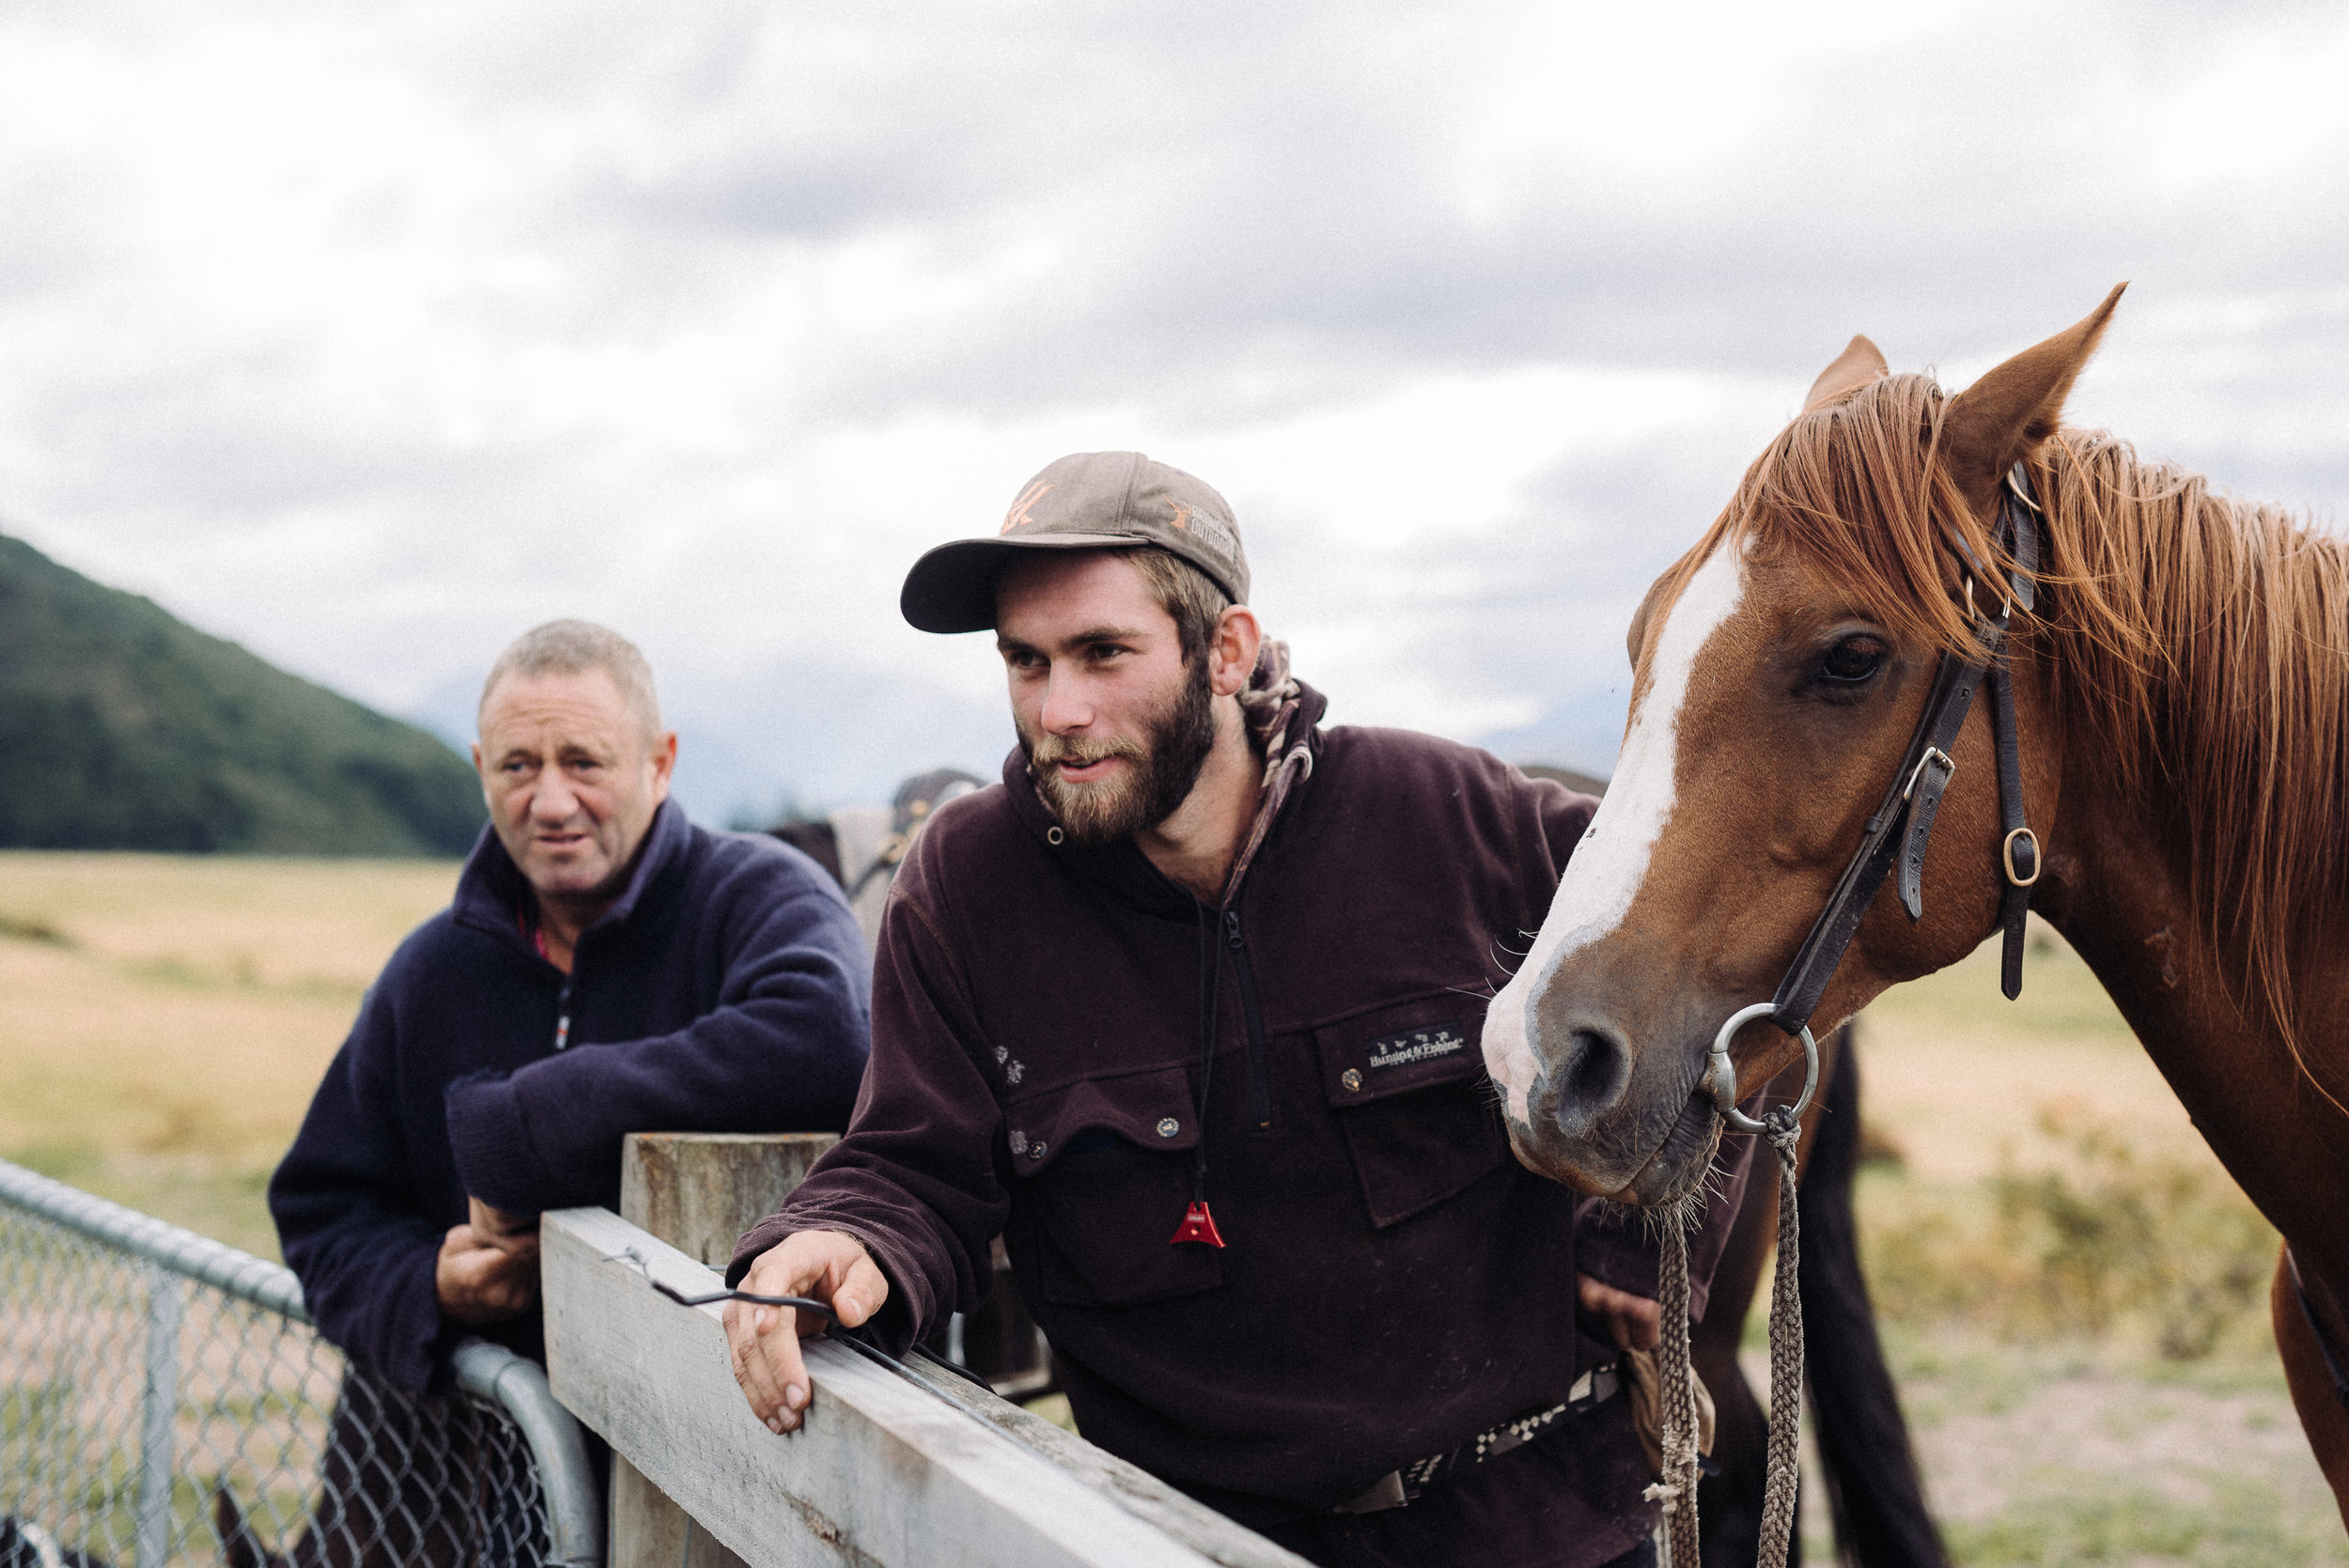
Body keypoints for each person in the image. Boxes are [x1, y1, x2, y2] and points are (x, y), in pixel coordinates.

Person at [721, 454, 1753, 1568]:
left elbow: (1730, 968)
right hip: (1196, 1543)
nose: (1057, 710)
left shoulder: (1454, 822)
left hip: (1543, 1528)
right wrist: (843, 1235)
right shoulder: (966, 893)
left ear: (1225, 651)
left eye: (1102, 653)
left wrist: (1647, 1243)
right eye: (1025, 662)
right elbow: (911, 1166)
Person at [271, 619, 872, 1393]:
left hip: (693, 1446)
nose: (551, 802)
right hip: (453, 1465)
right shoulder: (428, 969)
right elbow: (323, 1206)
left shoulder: (759, 895)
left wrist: (518, 1129)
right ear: (482, 767)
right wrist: (433, 1285)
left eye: (584, 761)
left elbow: (825, 1038)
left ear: (661, 763)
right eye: (518, 765)